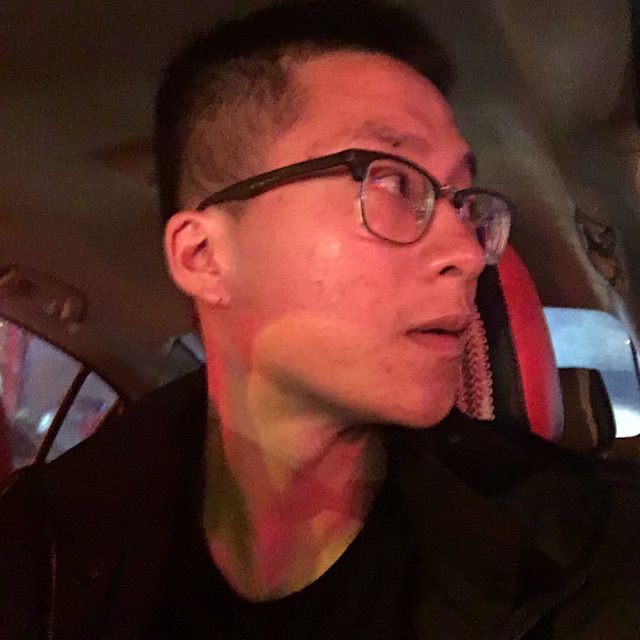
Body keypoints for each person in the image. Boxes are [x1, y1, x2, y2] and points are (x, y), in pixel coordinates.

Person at [1, 1, 639, 638]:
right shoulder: (40, 555)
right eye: (394, 182)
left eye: (463, 202)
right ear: (204, 256)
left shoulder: (578, 549)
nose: (469, 254)